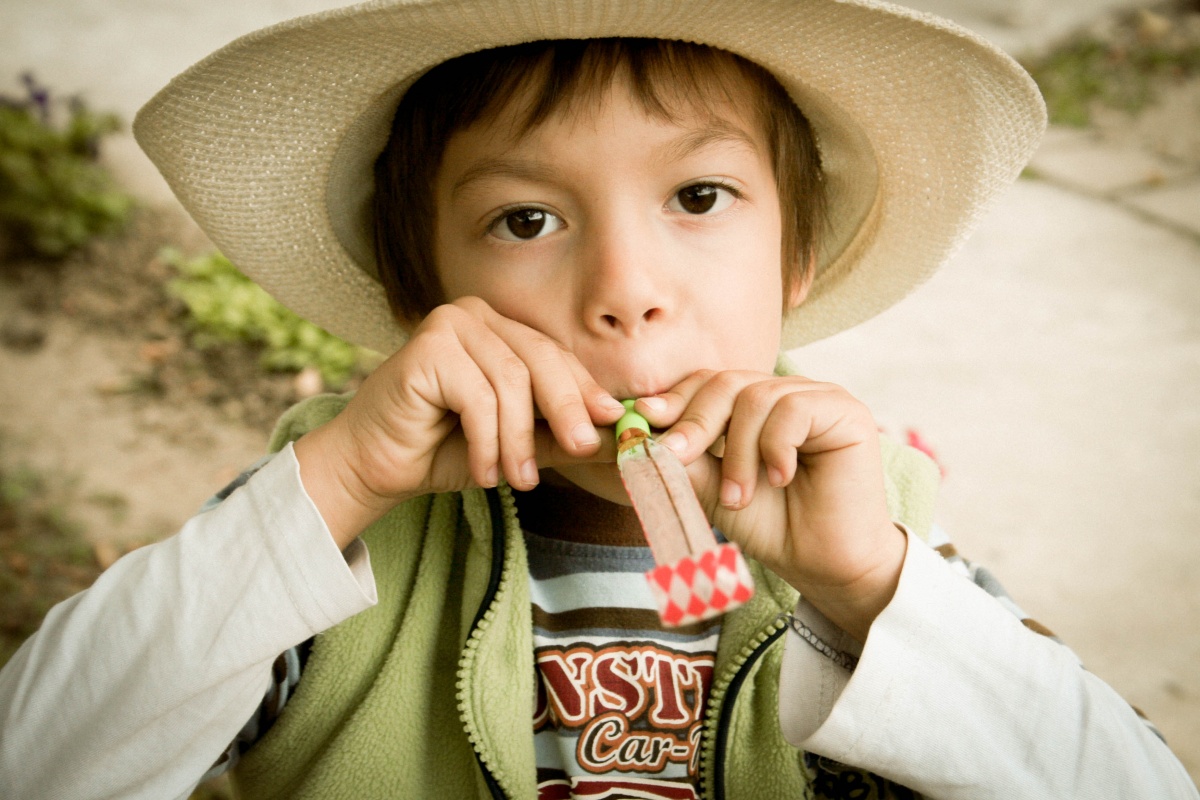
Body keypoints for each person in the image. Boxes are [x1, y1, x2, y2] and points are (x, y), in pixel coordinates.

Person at [0, 1, 1196, 798]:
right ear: (429, 297)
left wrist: (873, 587)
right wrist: (334, 486)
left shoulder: (870, 524)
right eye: (526, 220)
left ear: (798, 260)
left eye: (699, 197)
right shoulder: (331, 536)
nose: (626, 292)